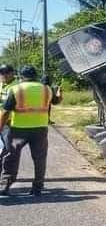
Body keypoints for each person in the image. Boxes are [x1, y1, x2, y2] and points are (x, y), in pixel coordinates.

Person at [0, 65, 62, 196]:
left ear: (21, 76)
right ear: (35, 75)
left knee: (11, 157)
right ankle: (37, 188)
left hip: (18, 130)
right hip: (40, 129)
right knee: (39, 159)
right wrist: (60, 94)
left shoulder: (17, 89)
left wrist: (0, 127)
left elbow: (6, 112)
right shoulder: (46, 89)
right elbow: (56, 101)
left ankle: (6, 185)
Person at [0, 64, 17, 158]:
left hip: (10, 122)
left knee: (8, 148)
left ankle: (8, 170)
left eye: (6, 73)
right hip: (2, 120)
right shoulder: (2, 84)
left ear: (12, 73)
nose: (4, 75)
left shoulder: (16, 86)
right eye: (2, 73)